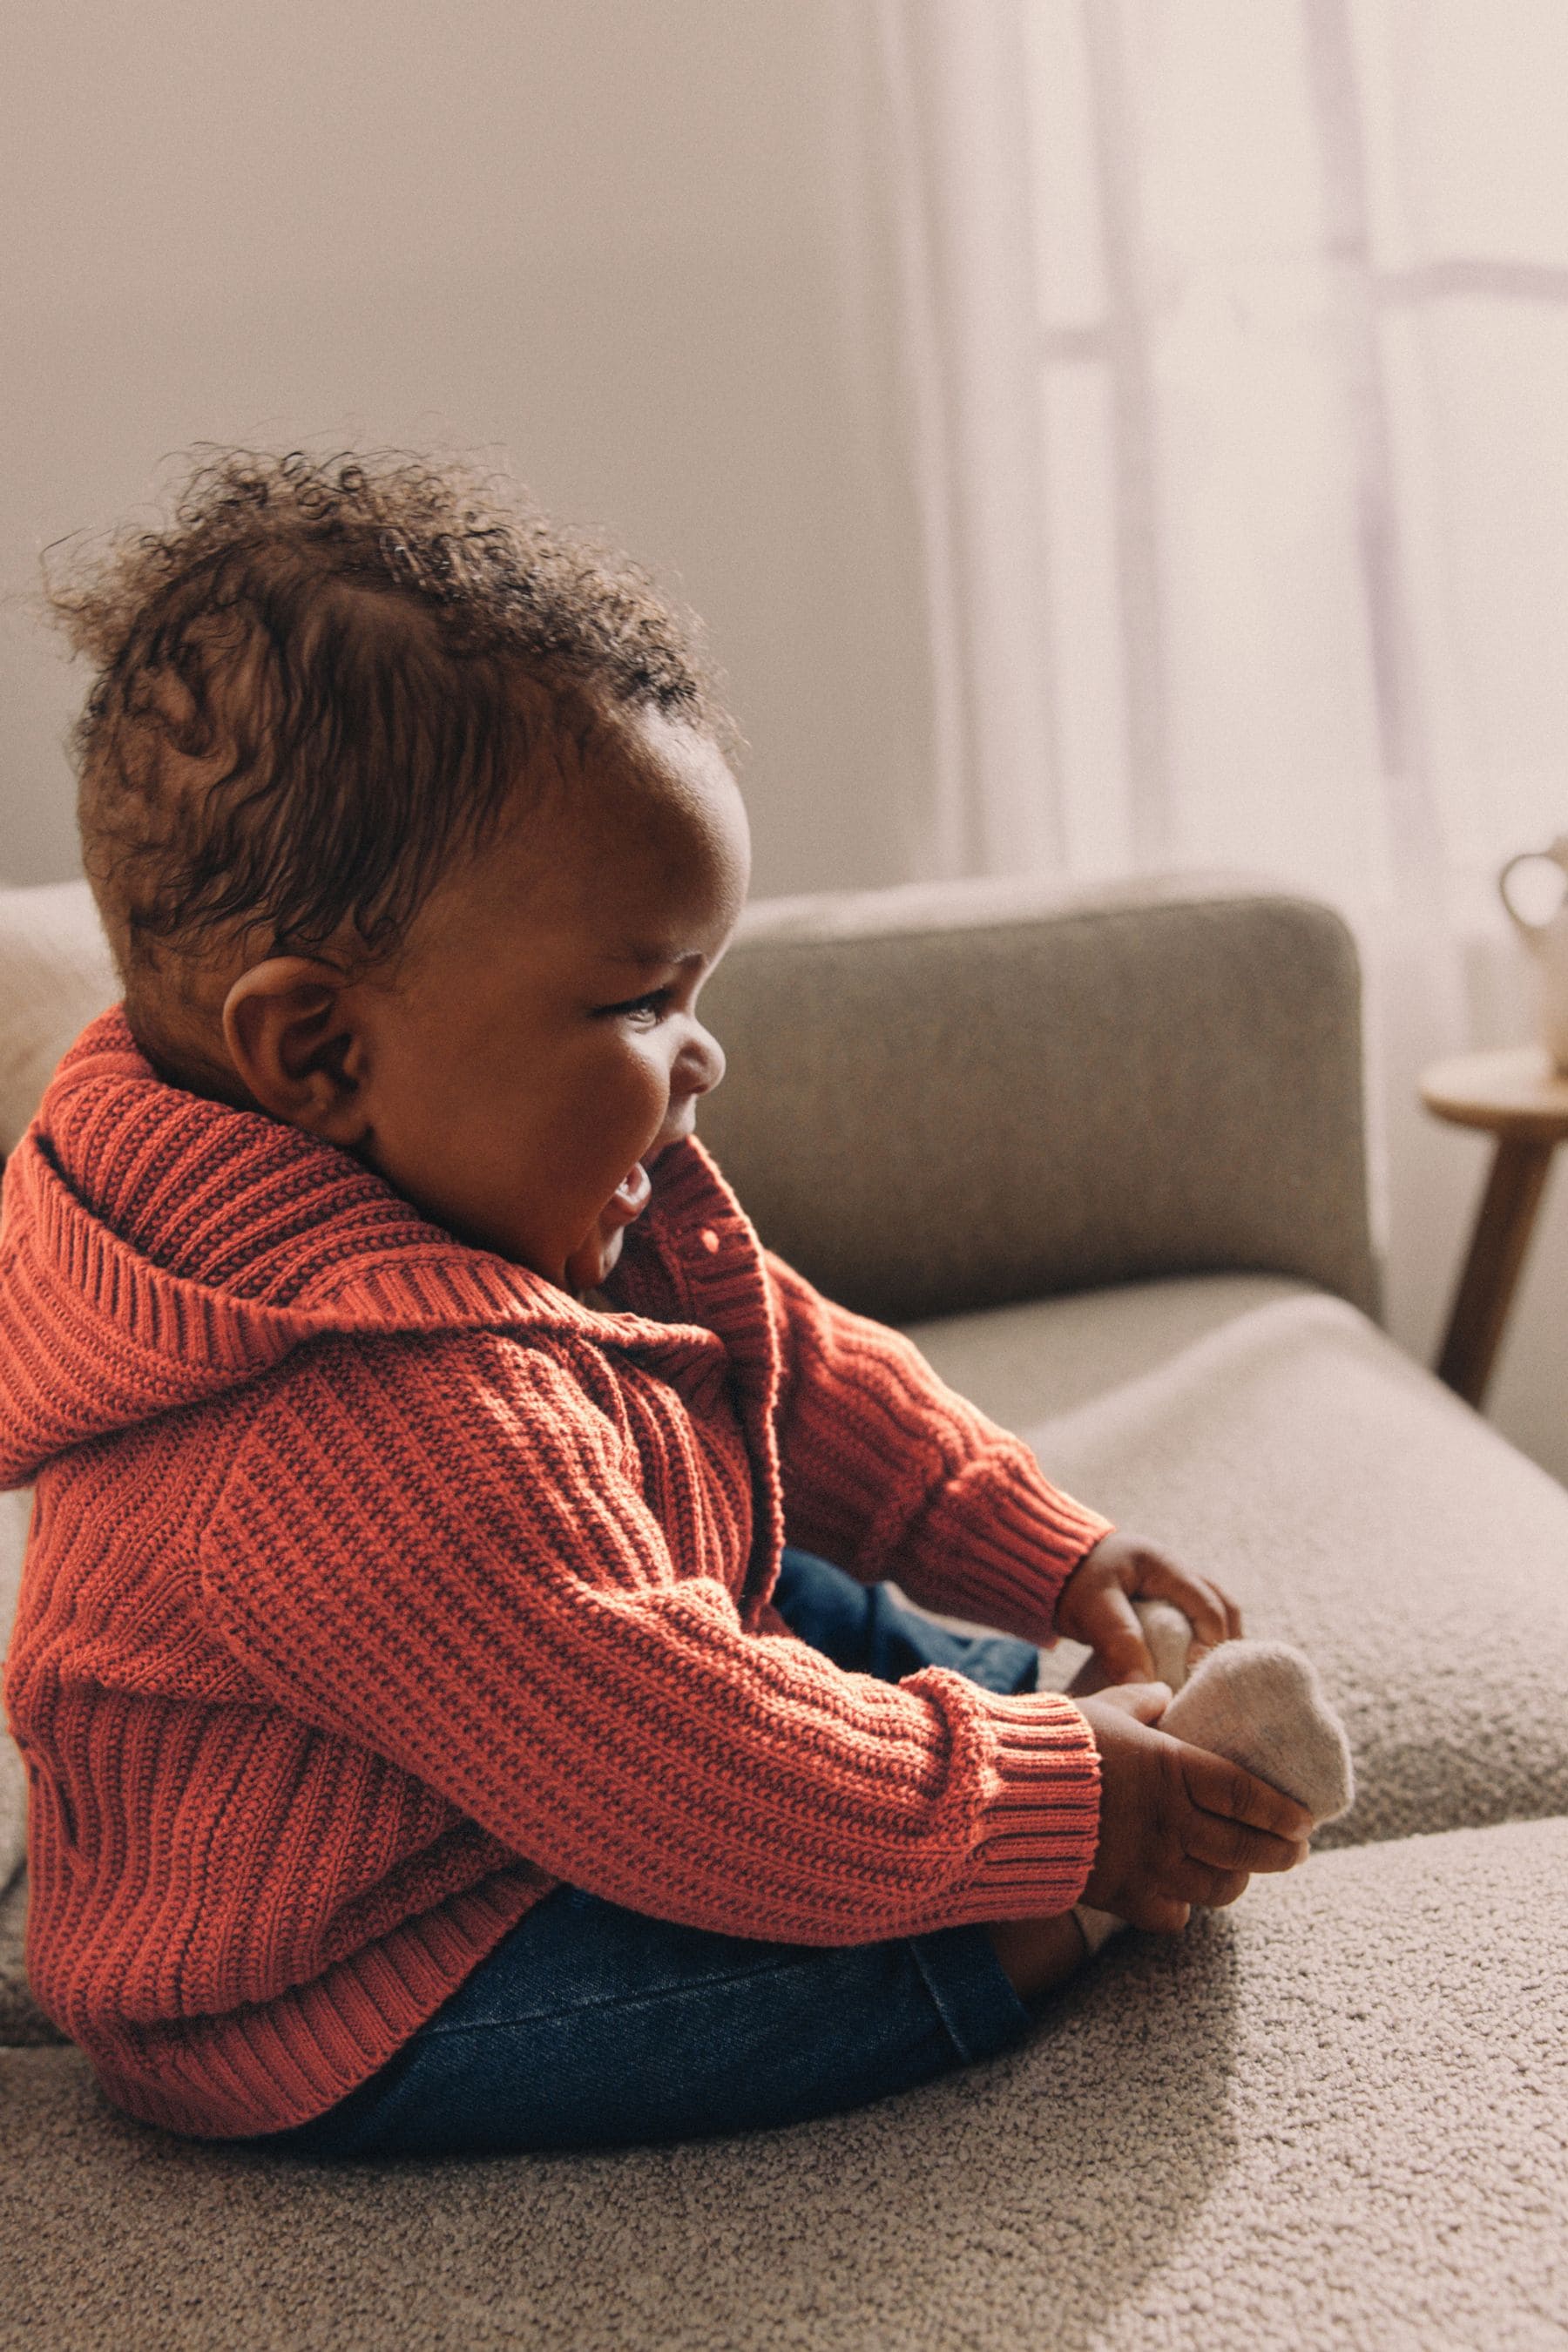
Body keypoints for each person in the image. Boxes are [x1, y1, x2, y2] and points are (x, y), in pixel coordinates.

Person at [0, 451, 1314, 2159]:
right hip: (359, 1966)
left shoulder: (484, 1167)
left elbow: (783, 1358)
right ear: (320, 1046)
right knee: (797, 1935)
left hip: (551, 1706)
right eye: (638, 999)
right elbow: (700, 1775)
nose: (701, 1055)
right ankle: (1032, 1877)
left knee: (792, 1565)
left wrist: (1047, 1548)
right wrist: (1065, 1828)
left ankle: (1027, 1701)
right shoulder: (359, 1445)